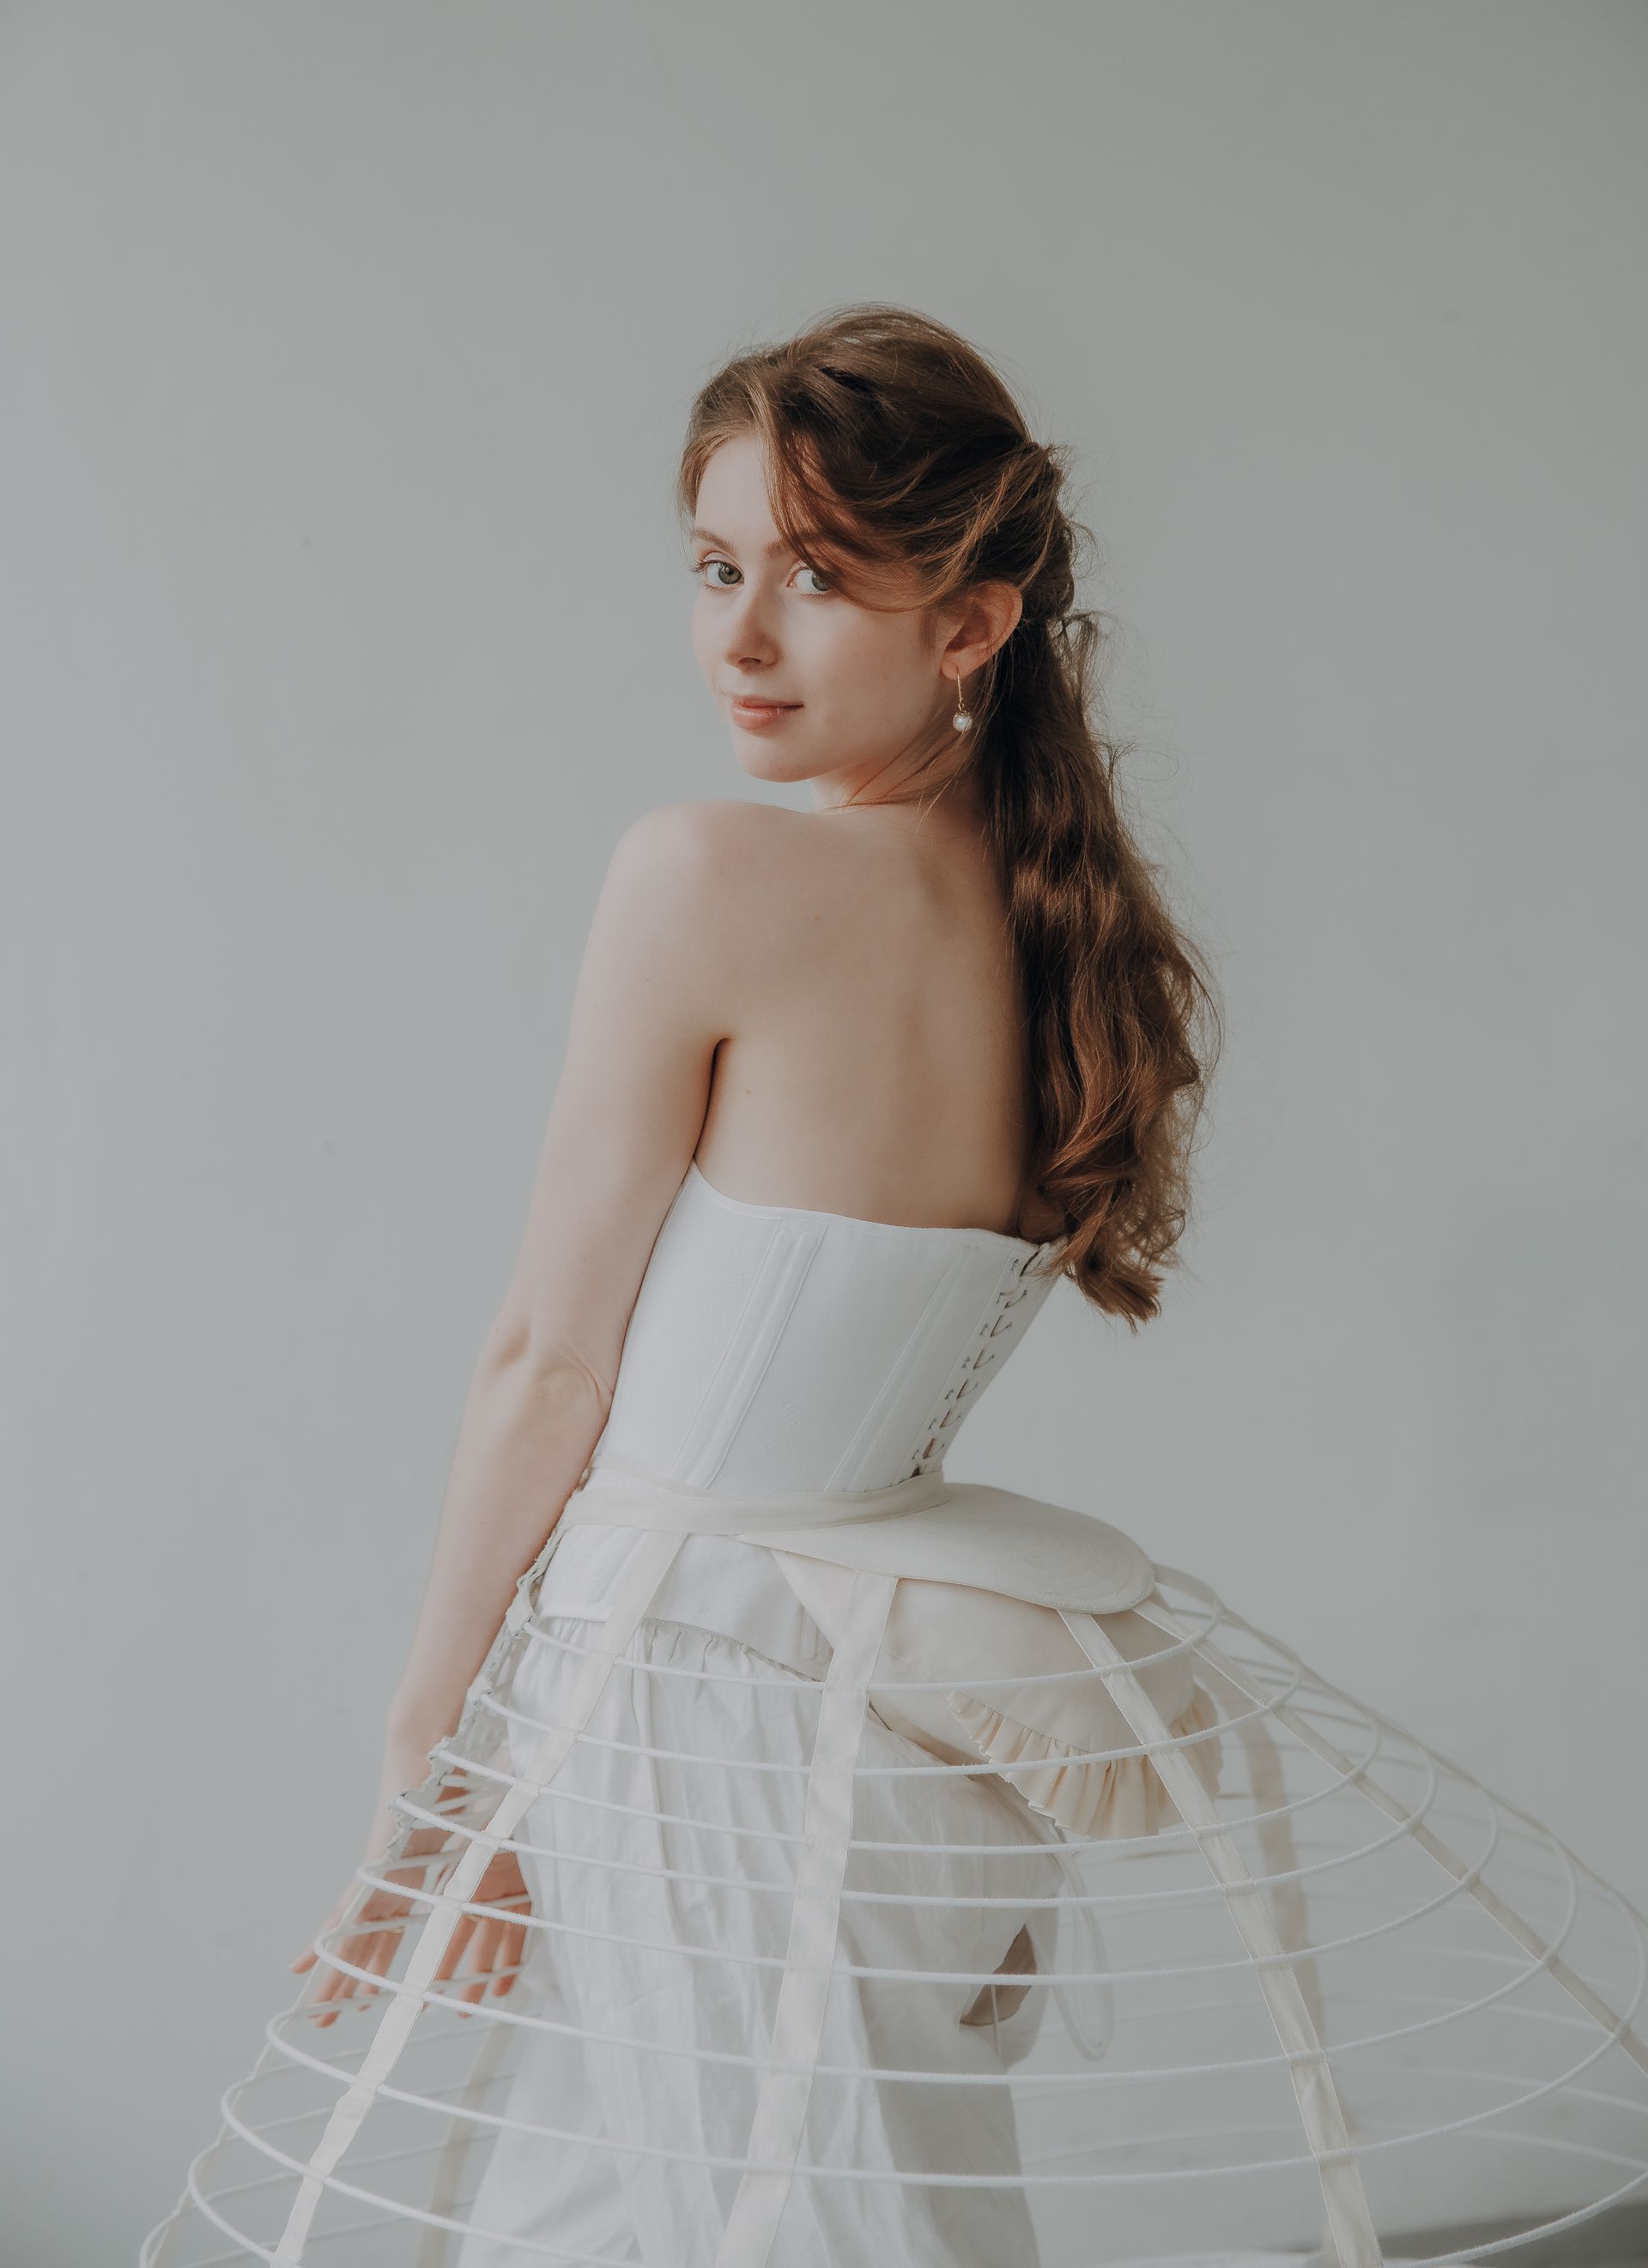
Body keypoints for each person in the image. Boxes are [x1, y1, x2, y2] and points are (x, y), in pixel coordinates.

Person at [142, 308, 1648, 2268]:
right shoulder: (1070, 950)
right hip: (861, 1735)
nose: (741, 638)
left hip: (682, 1716)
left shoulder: (711, 878)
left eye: (822, 578)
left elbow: (545, 1367)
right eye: (716, 566)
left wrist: (427, 1744)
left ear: (973, 621)